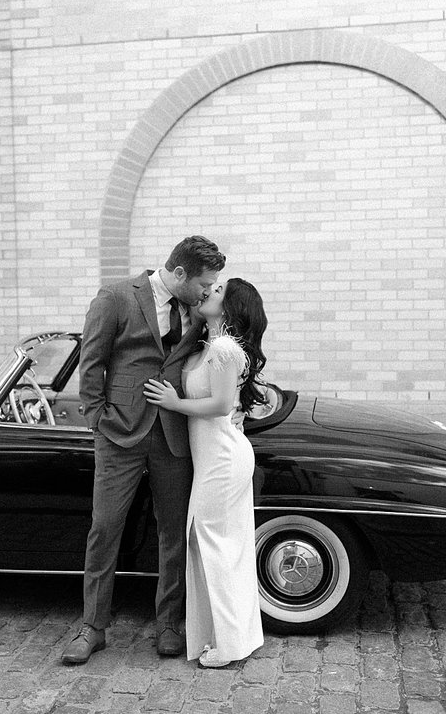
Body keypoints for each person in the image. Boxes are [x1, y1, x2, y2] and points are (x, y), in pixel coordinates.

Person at [62, 235, 227, 665]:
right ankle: (92, 627)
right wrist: (99, 419)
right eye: (204, 282)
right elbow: (91, 361)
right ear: (178, 274)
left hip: (174, 433)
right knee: (105, 529)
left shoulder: (196, 309)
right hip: (119, 433)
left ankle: (169, 624)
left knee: (173, 532)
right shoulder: (116, 297)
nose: (208, 290)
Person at [143, 277, 268, 668]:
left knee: (210, 541)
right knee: (221, 545)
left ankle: (228, 645)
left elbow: (218, 405)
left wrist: (174, 402)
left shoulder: (225, 348)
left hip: (223, 458)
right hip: (214, 456)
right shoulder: (209, 345)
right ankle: (231, 636)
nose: (207, 293)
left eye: (216, 292)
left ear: (229, 307)